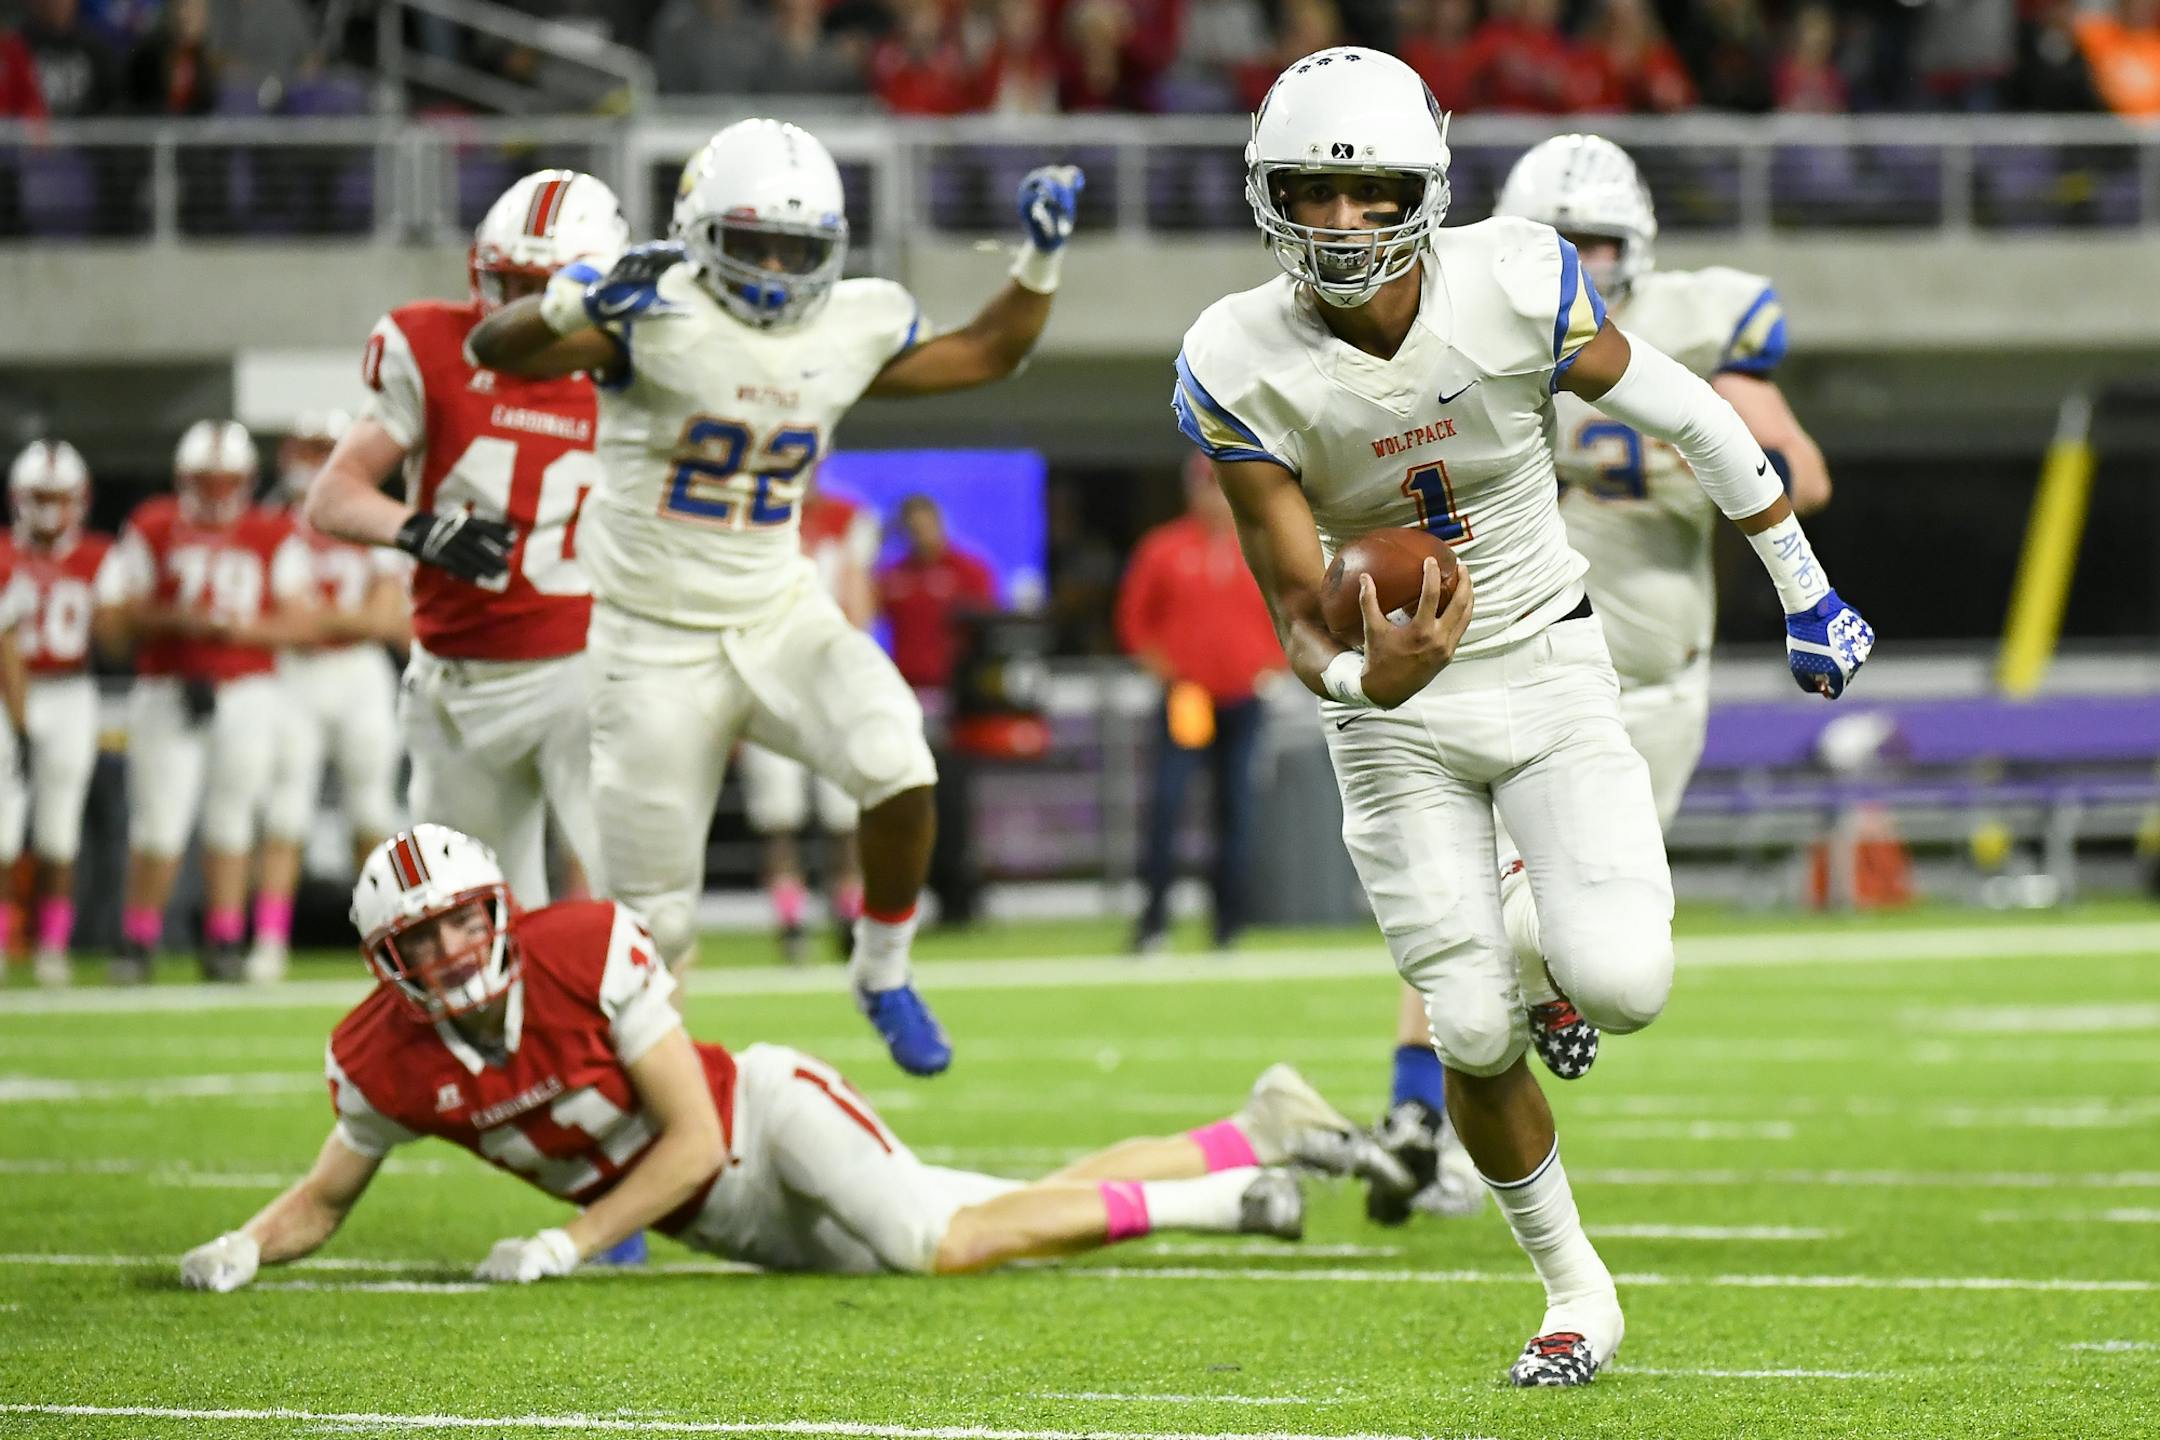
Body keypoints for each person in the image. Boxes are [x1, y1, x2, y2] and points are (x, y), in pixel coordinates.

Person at [1173, 47, 1873, 1385]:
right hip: (1393, 720)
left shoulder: (1515, 279)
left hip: (1548, 663)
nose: (1339, 225)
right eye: (1308, 198)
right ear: (1267, 200)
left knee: (1627, 983)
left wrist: (1806, 588)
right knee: (1473, 1033)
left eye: (1370, 193)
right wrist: (1353, 683)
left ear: (1423, 189)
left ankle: (1520, 945)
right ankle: (1574, 1293)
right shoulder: (1233, 357)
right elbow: (1292, 602)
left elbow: (1699, 417)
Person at [464, 120, 1084, 1077]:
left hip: (777, 611)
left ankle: (881, 970)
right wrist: (566, 300)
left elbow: (985, 354)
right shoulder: (653, 310)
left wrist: (1039, 262)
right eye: (753, 242)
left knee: (899, 762)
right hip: (651, 643)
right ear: (700, 233)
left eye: (799, 248)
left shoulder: (853, 319)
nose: (777, 267)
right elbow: (498, 350)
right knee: (654, 929)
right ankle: (633, 1144)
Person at [175, 823, 1411, 1291]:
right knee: (1000, 1208)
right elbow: (324, 1202)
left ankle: (1233, 1202)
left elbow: (699, 1135)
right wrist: (245, 1241)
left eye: (459, 919)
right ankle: (1262, 1128)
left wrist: (571, 1238)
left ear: (497, 909)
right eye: (420, 937)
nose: (448, 949)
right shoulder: (382, 1058)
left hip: (760, 1122)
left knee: (945, 1244)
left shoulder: (582, 945)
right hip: (727, 1221)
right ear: (387, 960)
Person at [1364, 130, 1843, 1224]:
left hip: (1650, 686)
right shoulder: (1472, 316)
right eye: (1562, 237)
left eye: (1601, 239)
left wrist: (1719, 444)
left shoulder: (1696, 325)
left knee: (1551, 925)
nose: (1586, 254)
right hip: (1519, 662)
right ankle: (1424, 1127)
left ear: (1642, 246)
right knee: (1461, 900)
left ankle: (1517, 1026)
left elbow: (1799, 471)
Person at [303, 169, 624, 911]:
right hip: (458, 672)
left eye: (538, 289)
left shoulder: (637, 364)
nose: (513, 308)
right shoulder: (432, 344)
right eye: (504, 282)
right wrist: (419, 529)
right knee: (478, 916)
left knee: (628, 900)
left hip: (584, 663)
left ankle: (632, 1029)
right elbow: (334, 494)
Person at [92, 421, 320, 983]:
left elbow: (301, 623)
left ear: (245, 480)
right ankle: (138, 939)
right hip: (169, 685)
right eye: (206, 481)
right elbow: (113, 622)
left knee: (233, 820)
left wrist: (234, 631)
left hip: (247, 691)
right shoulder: (154, 524)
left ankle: (223, 938)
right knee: (158, 822)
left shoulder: (271, 532)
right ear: (183, 479)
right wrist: (177, 620)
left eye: (226, 481)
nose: (218, 493)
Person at [251, 411, 411, 983]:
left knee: (373, 807)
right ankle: (269, 940)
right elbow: (288, 621)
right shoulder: (272, 523)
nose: (316, 461)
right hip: (297, 674)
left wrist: (325, 622)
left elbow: (388, 618)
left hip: (359, 674)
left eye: (327, 449)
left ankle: (386, 931)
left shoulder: (370, 513)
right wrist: (353, 620)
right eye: (309, 449)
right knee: (285, 806)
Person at [1115, 453, 1284, 952]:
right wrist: (1167, 672)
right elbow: (1134, 621)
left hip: (1243, 697)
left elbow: (1287, 609)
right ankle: (1154, 924)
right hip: (1188, 697)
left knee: (1236, 810)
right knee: (1168, 805)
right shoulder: (1163, 549)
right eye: (1205, 485)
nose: (1213, 495)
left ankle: (1228, 925)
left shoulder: (1259, 545)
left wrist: (1268, 666)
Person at [736, 488, 877, 963]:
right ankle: (791, 920)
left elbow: (858, 604)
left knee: (844, 817)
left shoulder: (845, 519)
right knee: (779, 817)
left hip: (829, 683)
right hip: (772, 683)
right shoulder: (749, 514)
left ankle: (848, 912)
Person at [0, 440, 109, 985]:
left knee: (59, 830)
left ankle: (52, 944)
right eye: (40, 497)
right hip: (7, 692)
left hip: (70, 690)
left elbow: (114, 632)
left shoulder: (98, 557)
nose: (49, 509)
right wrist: (18, 719)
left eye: (59, 497)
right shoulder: (2, 553)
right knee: (1, 828)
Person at [876, 492, 997, 928]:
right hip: (908, 699)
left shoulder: (968, 572)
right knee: (912, 800)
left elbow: (988, 635)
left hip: (955, 702)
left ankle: (962, 896)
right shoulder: (892, 577)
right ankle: (920, 891)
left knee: (956, 801)